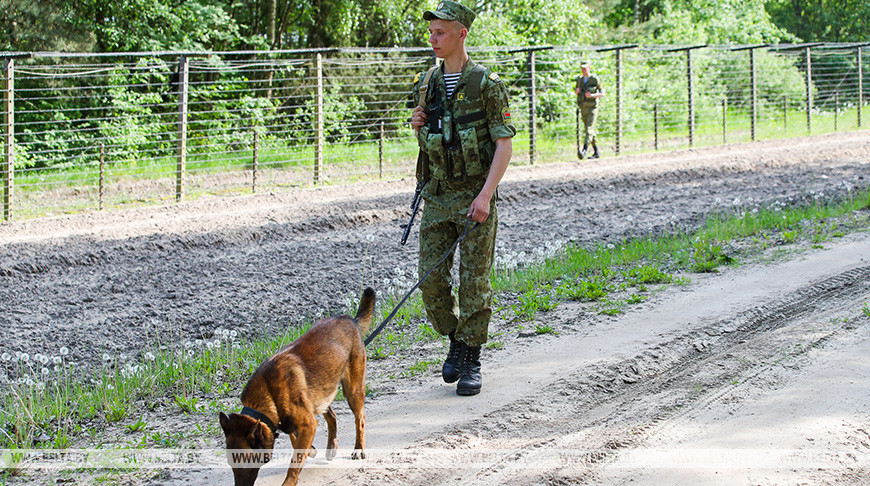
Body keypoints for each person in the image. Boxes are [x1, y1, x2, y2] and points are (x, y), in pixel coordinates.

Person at [409, 0, 515, 396]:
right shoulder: (425, 84)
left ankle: (471, 358)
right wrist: (416, 123)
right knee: (430, 283)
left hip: (475, 199)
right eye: (431, 32)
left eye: (440, 32)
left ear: (461, 34)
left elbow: (503, 145)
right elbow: (432, 141)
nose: (433, 38)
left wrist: (486, 196)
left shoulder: (487, 85)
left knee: (475, 283)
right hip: (436, 199)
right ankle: (457, 337)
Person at [574, 60, 604, 159]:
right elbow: (576, 91)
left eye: (585, 68)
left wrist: (592, 95)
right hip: (583, 107)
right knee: (589, 131)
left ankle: (584, 150)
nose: (583, 70)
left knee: (589, 129)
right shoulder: (580, 80)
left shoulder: (594, 79)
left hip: (592, 107)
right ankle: (596, 151)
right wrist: (577, 91)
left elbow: (602, 93)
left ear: (589, 68)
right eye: (582, 68)